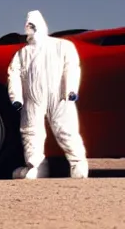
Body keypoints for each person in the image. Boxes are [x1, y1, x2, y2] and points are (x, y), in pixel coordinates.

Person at [7, 10, 89, 179]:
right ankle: (36, 166)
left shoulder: (62, 46)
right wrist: (16, 97)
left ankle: (78, 163)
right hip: (33, 97)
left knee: (66, 129)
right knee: (31, 131)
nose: (30, 28)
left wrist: (71, 89)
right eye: (28, 25)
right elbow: (13, 75)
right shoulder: (22, 53)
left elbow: (71, 67)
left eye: (32, 25)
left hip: (59, 95)